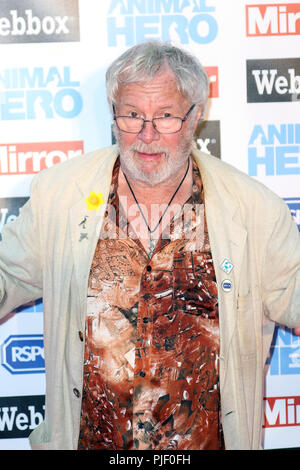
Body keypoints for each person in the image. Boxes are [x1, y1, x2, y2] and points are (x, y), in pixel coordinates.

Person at [0, 41, 299, 451]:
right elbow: (6, 277)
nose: (146, 135)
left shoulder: (253, 209)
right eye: (133, 115)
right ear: (113, 113)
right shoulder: (60, 196)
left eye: (165, 117)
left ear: (195, 117)